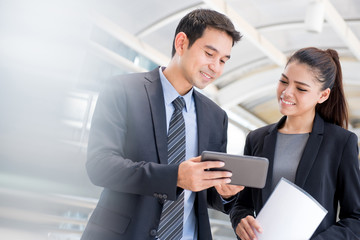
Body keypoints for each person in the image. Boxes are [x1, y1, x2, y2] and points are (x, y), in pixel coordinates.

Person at [81, 9, 244, 240]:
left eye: (223, 61)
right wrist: (174, 177)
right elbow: (100, 165)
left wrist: (224, 194)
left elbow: (203, 190)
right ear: (181, 43)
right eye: (209, 54)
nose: (216, 67)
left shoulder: (216, 116)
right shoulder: (123, 90)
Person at [230, 47, 360, 240]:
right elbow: (242, 203)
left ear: (323, 95)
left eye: (301, 88)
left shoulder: (341, 142)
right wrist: (240, 219)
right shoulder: (256, 139)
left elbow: (356, 218)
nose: (287, 92)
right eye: (283, 81)